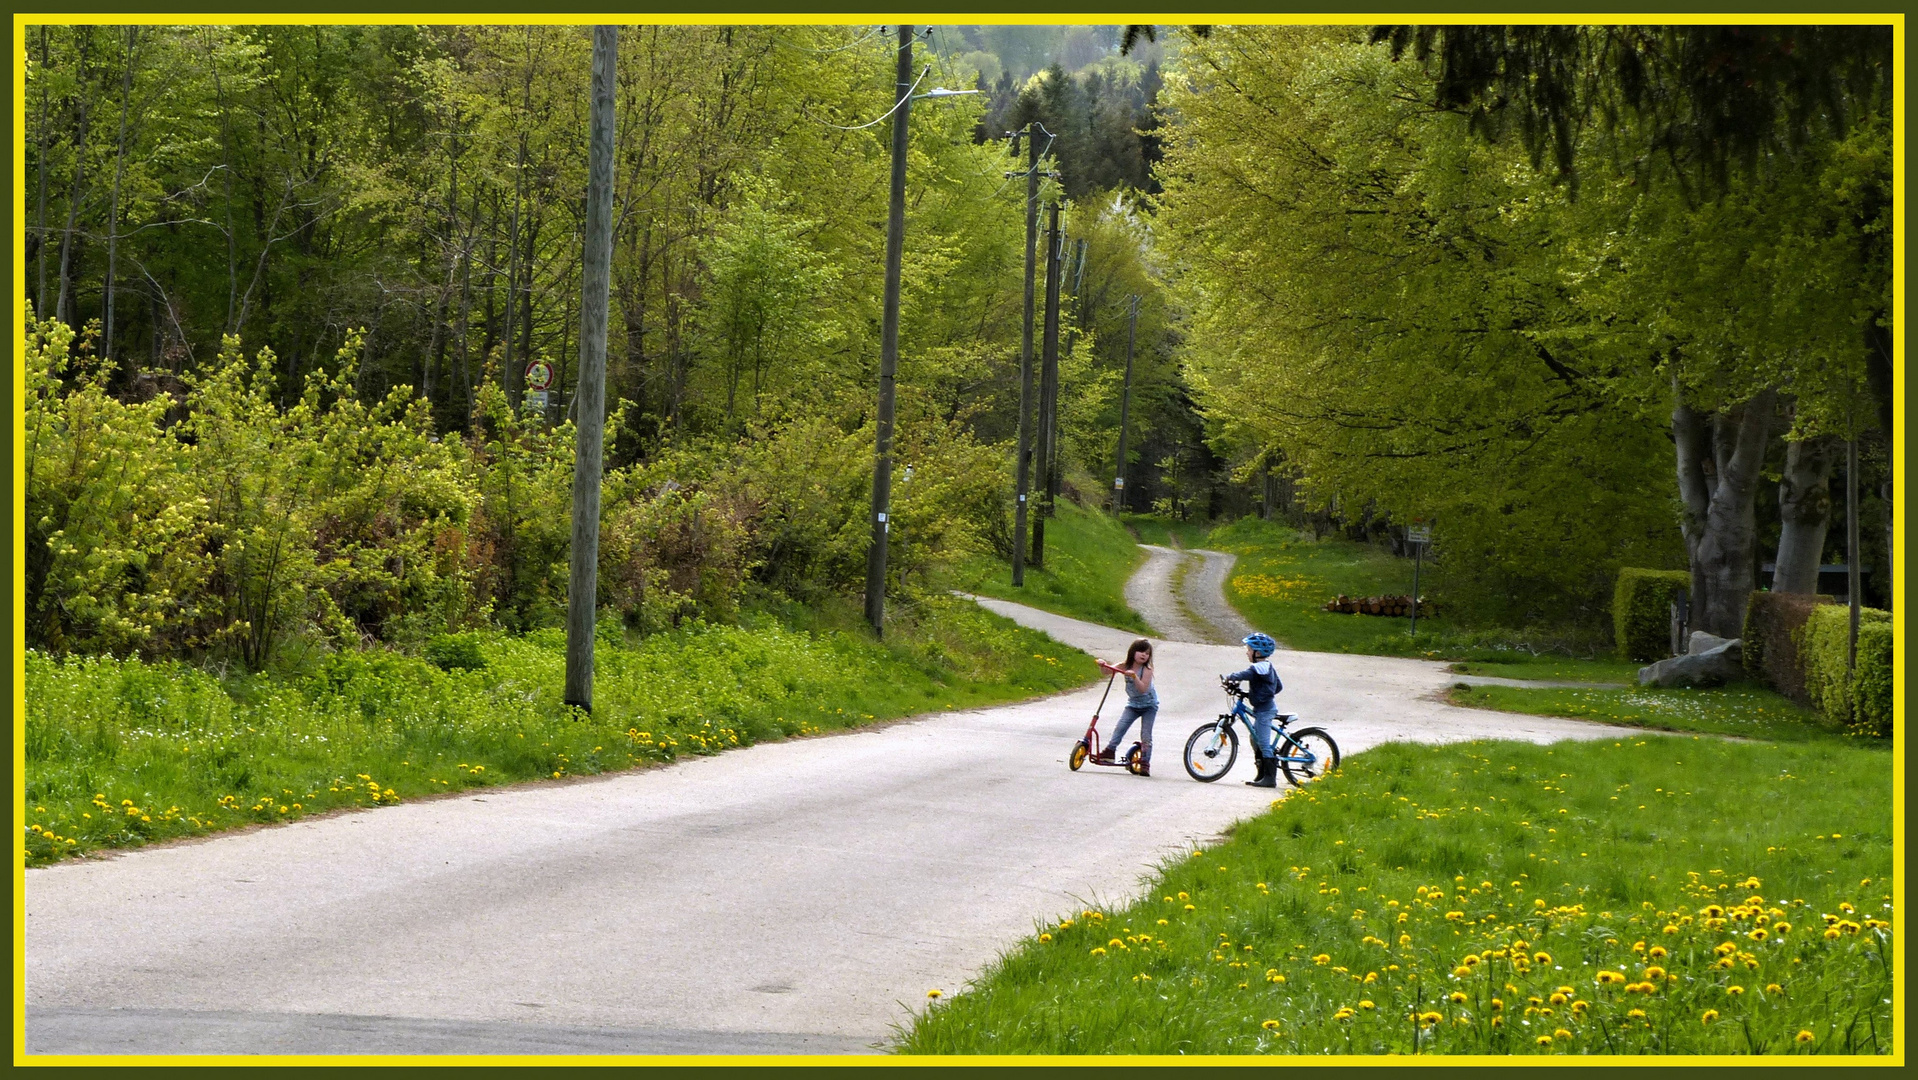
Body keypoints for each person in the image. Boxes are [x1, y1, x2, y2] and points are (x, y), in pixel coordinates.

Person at [1224, 632, 1284, 788]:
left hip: (1265, 711)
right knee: (1255, 739)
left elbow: (1245, 674)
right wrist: (1257, 694)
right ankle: (1262, 774)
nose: (1247, 652)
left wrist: (1230, 677)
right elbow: (1278, 686)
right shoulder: (1267, 666)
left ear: (1258, 653)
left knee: (1263, 743)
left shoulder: (1259, 667)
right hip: (1262, 708)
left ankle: (1270, 778)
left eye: (1249, 649)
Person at [1095, 638, 1157, 776]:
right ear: (1133, 652)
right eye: (1140, 651)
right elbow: (1107, 672)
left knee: (1146, 734)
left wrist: (1135, 677)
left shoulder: (1147, 670)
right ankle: (1110, 751)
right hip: (1133, 704)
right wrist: (1103, 665)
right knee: (1120, 727)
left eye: (1147, 653)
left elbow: (1143, 689)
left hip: (1149, 706)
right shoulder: (1125, 665)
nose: (1143, 655)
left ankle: (1145, 762)